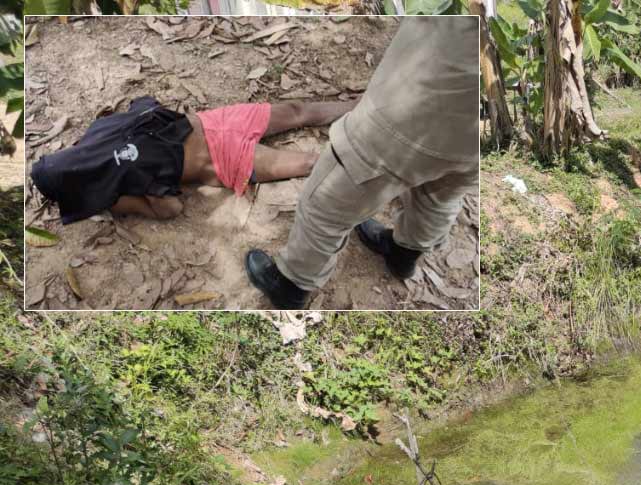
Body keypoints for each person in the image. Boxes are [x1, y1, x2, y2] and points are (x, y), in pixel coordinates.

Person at [244, 16, 480, 310]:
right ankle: (403, 256)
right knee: (442, 191)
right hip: (482, 126)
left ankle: (291, 285)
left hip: (419, 105)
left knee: (327, 203)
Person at [30, 96, 358, 223]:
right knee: (305, 149)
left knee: (303, 143)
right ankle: (370, 117)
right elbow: (170, 209)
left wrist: (127, 202)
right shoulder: (102, 145)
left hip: (219, 137)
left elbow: (169, 208)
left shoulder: (110, 174)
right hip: (220, 145)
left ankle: (368, 109)